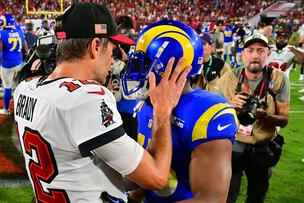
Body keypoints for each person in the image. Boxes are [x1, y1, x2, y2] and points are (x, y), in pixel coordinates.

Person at [14, 3, 189, 203]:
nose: (112, 61)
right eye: (112, 50)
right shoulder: (86, 97)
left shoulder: (26, 88)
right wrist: (163, 110)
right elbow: (157, 177)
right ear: (96, 46)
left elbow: (80, 167)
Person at [122, 20, 238, 203]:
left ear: (169, 67)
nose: (137, 71)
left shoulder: (207, 112)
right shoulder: (149, 104)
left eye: (144, 64)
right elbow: (149, 168)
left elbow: (211, 199)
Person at [216, 33, 290, 203]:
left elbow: (284, 120)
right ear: (243, 54)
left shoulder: (278, 79)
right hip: (233, 145)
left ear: (268, 54)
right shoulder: (228, 79)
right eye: (250, 50)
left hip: (262, 147)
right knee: (227, 196)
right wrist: (229, 105)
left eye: (260, 50)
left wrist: (264, 115)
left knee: (256, 196)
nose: (255, 55)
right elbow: (213, 115)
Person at [0, 14, 28, 115]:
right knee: (19, 87)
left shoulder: (1, 33)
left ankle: (6, 109)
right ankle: (21, 109)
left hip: (7, 65)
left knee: (7, 87)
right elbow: (26, 49)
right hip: (19, 63)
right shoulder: (19, 31)